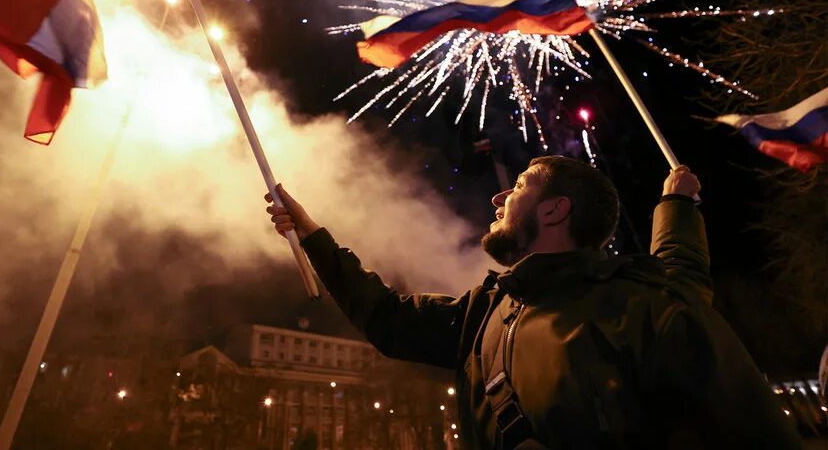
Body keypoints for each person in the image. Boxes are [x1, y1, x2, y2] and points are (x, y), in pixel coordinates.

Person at [265, 156, 802, 449]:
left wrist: (676, 204)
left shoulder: (648, 309)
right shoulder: (486, 313)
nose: (499, 197)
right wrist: (312, 233)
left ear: (554, 211)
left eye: (519, 185)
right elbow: (385, 318)